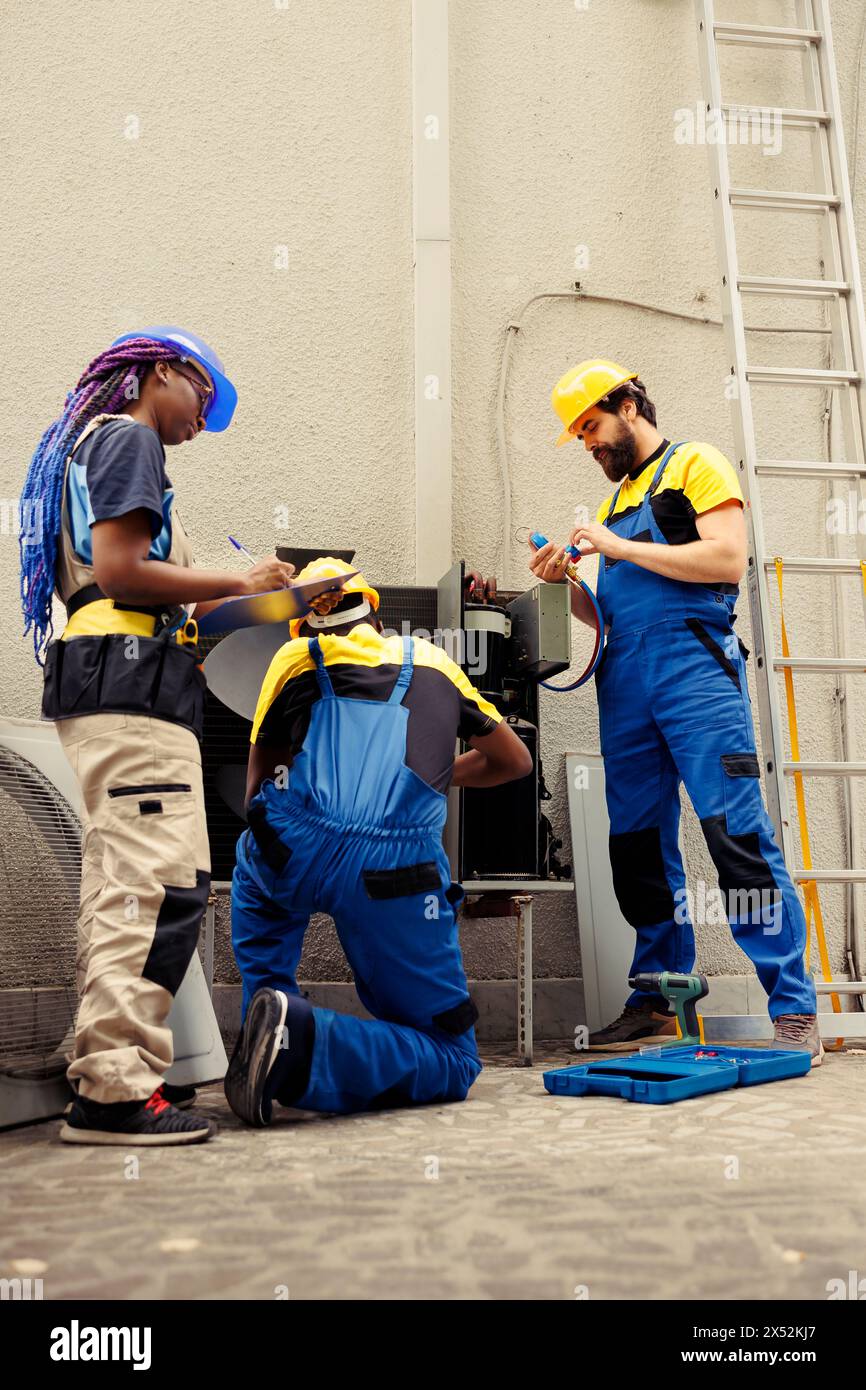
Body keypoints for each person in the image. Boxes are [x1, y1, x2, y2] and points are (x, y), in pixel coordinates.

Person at [18, 326, 296, 1144]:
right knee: (160, 885)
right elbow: (122, 570)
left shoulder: (98, 445)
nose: (204, 420)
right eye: (203, 394)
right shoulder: (129, 437)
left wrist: (276, 596)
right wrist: (239, 577)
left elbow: (164, 594)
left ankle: (103, 1079)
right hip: (129, 684)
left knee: (120, 887)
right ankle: (113, 1095)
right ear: (159, 372)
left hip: (112, 677)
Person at [531, 358, 821, 1064]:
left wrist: (616, 546)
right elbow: (604, 609)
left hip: (695, 675)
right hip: (625, 680)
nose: (591, 444)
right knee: (634, 847)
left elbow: (726, 559)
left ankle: (792, 1009)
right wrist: (563, 578)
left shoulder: (695, 463)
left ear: (628, 405)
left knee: (736, 837)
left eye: (593, 427)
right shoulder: (609, 508)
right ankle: (660, 1000)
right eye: (580, 437)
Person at [224, 557, 532, 1124]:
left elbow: (255, 786)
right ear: (375, 612)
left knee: (258, 871)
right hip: (399, 872)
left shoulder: (293, 657)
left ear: (303, 624)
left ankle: (267, 1024)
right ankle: (301, 1048)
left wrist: (278, 843)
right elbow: (514, 761)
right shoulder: (436, 662)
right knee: (451, 1056)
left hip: (294, 845)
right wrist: (438, 772)